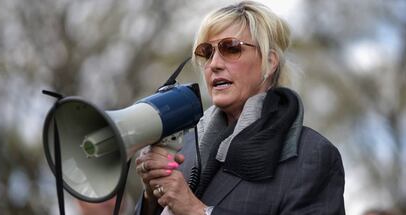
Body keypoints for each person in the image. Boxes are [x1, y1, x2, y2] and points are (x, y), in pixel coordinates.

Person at [134, 1, 345, 214]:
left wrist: (196, 210)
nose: (214, 64)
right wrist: (151, 197)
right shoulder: (182, 147)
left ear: (270, 62)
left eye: (231, 48)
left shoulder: (312, 155)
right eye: (207, 52)